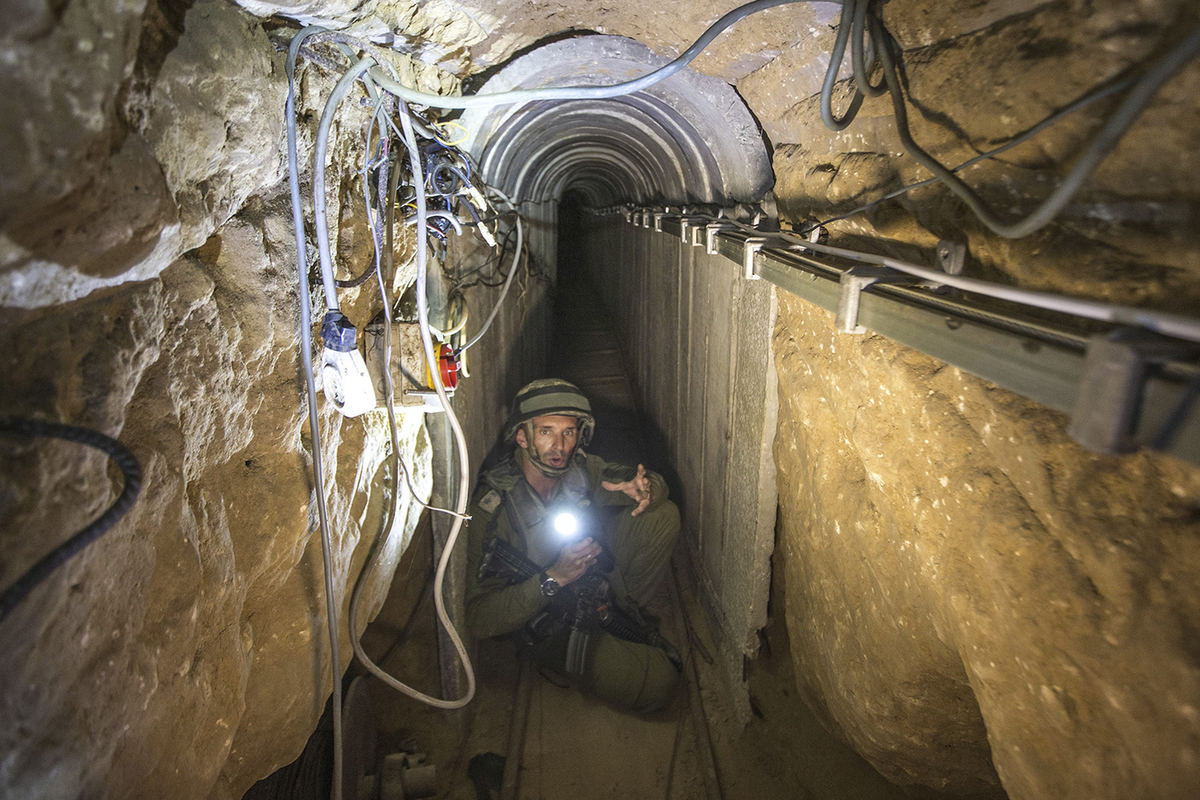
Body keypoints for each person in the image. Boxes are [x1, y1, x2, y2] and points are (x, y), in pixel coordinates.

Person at [465, 378, 682, 713]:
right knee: (660, 682)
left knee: (662, 516)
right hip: (547, 618)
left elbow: (647, 483)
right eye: (546, 431)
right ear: (522, 436)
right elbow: (478, 618)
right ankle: (574, 654)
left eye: (569, 432)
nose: (560, 446)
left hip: (590, 583)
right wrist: (552, 578)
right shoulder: (494, 510)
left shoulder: (577, 469)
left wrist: (645, 489)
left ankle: (621, 610)